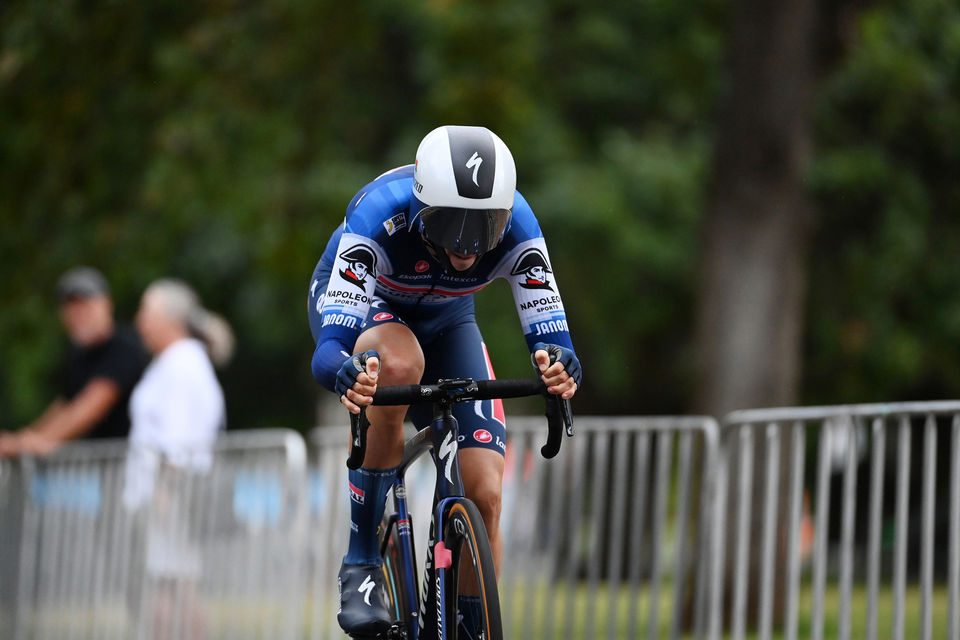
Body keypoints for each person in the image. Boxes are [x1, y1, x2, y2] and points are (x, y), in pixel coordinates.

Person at [307, 125, 582, 638]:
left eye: (485, 228)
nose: (469, 246)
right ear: (422, 207)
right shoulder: (378, 216)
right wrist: (343, 372)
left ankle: (472, 624)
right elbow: (329, 352)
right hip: (370, 311)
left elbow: (553, 340)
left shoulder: (520, 224)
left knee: (485, 490)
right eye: (454, 224)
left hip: (450, 323)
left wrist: (561, 369)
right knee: (399, 364)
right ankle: (363, 559)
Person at [122, 278, 233, 640]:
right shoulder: (175, 362)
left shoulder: (183, 365)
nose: (140, 322)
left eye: (146, 312)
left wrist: (166, 493)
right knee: (173, 585)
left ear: (168, 319)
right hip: (167, 495)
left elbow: (180, 440)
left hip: (173, 495)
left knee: (175, 586)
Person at [0, 266, 149, 458]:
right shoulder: (79, 354)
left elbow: (89, 408)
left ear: (106, 304)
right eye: (71, 309)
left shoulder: (124, 347)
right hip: (104, 471)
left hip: (130, 467)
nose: (78, 315)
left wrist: (29, 444)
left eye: (85, 306)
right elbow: (65, 405)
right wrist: (27, 437)